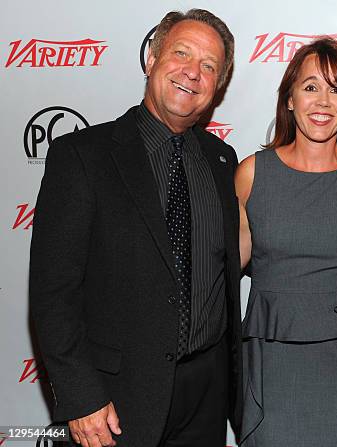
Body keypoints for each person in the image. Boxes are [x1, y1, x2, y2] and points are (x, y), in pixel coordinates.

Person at [29, 9, 242, 447]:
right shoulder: (83, 156)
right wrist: (81, 397)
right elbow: (54, 293)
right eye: (181, 54)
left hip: (206, 395)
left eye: (209, 66)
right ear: (151, 59)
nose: (193, 73)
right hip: (115, 400)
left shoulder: (223, 161)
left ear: (218, 86)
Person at [235, 37, 337, 446]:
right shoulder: (252, 173)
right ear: (289, 99)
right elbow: (223, 270)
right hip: (272, 366)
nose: (323, 101)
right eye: (310, 87)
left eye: (336, 89)